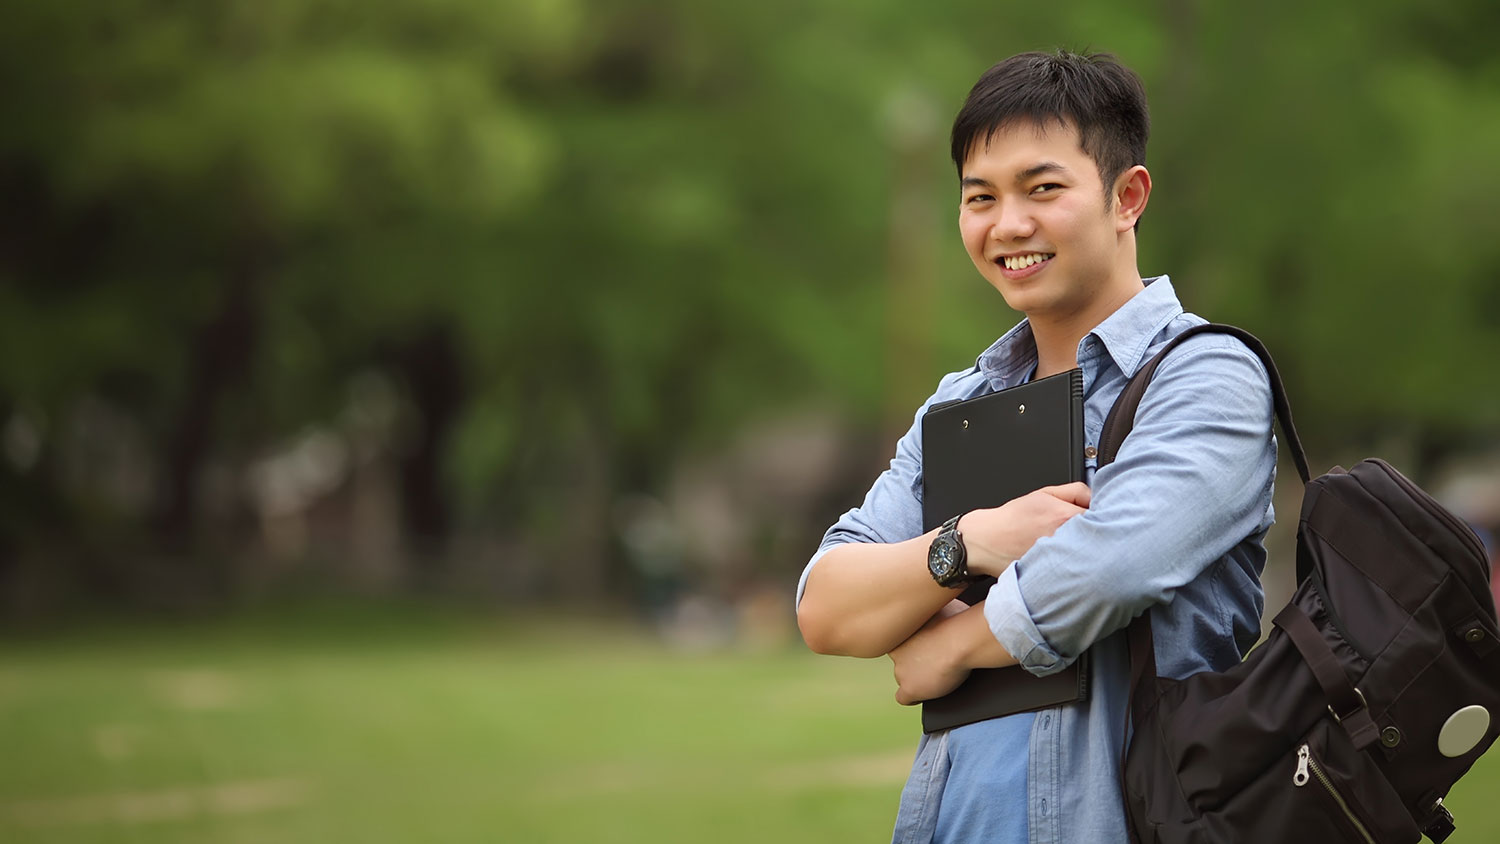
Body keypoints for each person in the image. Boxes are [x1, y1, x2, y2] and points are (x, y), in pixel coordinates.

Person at [795, 50, 1278, 844]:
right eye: (979, 197)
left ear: (1127, 197)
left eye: (1043, 188)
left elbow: (1109, 565)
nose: (1008, 224)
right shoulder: (961, 403)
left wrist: (951, 643)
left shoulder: (1206, 374)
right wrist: (967, 542)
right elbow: (826, 605)